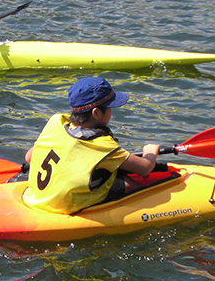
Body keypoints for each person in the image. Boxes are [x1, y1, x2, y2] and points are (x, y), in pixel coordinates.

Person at [23, 76, 162, 214]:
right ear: (96, 113)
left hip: (35, 198)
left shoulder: (56, 123)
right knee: (133, 185)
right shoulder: (101, 144)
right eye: (109, 107)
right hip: (62, 208)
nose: (111, 112)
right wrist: (150, 152)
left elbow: (29, 157)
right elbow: (144, 169)